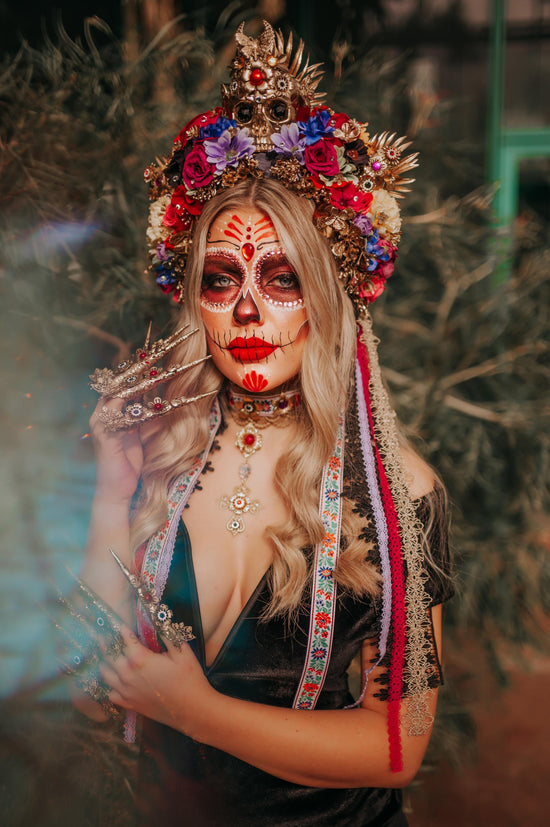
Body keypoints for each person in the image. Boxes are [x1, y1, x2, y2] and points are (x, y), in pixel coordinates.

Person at [73, 21, 453, 826]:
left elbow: (401, 744)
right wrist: (111, 497)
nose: (247, 307)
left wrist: (194, 710)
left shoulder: (398, 493)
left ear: (326, 296)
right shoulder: (161, 459)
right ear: (194, 299)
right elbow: (90, 698)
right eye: (221, 278)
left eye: (281, 277)